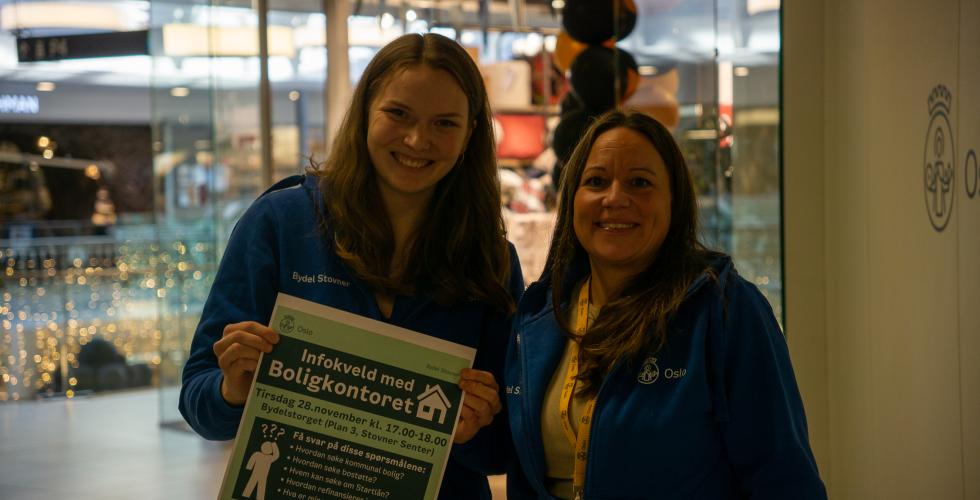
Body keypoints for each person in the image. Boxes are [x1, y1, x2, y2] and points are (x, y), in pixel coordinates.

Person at [179, 33, 524, 499]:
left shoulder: (492, 260)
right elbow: (199, 403)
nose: (418, 140)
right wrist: (232, 388)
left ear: (470, 135)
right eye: (398, 114)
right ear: (364, 111)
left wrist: (473, 430)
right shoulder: (280, 224)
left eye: (445, 123)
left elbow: (507, 448)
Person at [504, 110, 826, 499]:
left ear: (674, 202)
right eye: (597, 181)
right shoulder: (541, 318)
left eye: (640, 183)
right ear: (573, 198)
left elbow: (784, 478)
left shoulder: (723, 310)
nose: (615, 198)